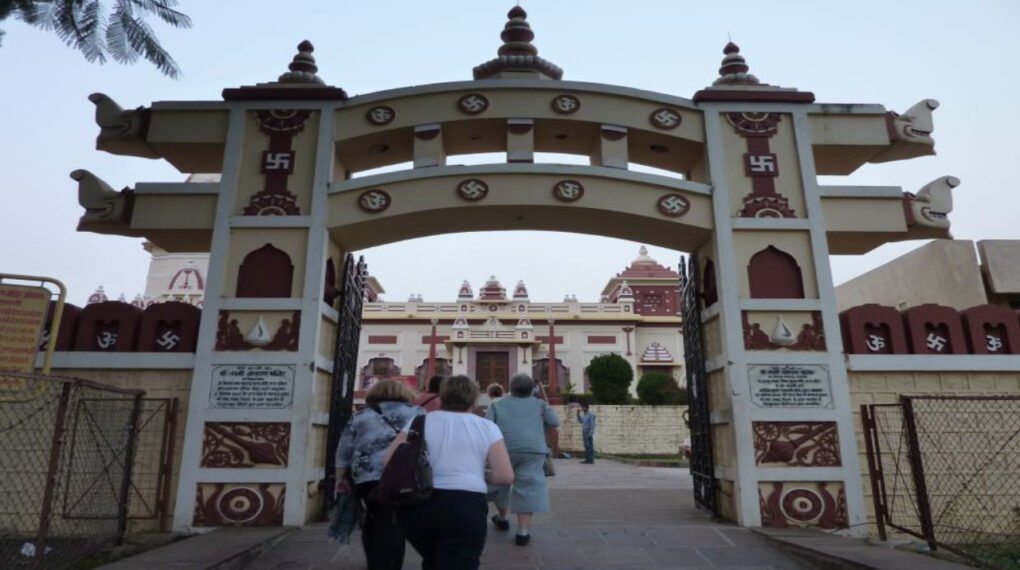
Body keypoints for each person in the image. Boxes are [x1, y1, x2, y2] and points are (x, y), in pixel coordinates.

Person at [387, 375, 513, 570]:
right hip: (465, 505)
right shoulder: (488, 427)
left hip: (418, 503)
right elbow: (505, 476)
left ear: (442, 396)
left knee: (432, 559)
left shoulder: (419, 422)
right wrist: (482, 473)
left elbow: (389, 460)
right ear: (474, 399)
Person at [335, 379, 423, 570]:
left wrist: (340, 478)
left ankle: (376, 561)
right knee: (394, 519)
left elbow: (344, 452)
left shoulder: (360, 415)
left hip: (366, 477)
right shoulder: (417, 413)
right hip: (403, 476)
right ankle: (388, 563)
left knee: (373, 516)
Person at [486, 373, 560, 546]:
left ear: (510, 388)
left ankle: (502, 517)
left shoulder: (496, 404)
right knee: (528, 488)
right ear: (531, 389)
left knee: (500, 485)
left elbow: (487, 426)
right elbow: (554, 422)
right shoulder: (540, 405)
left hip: (503, 449)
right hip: (532, 451)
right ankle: (522, 532)